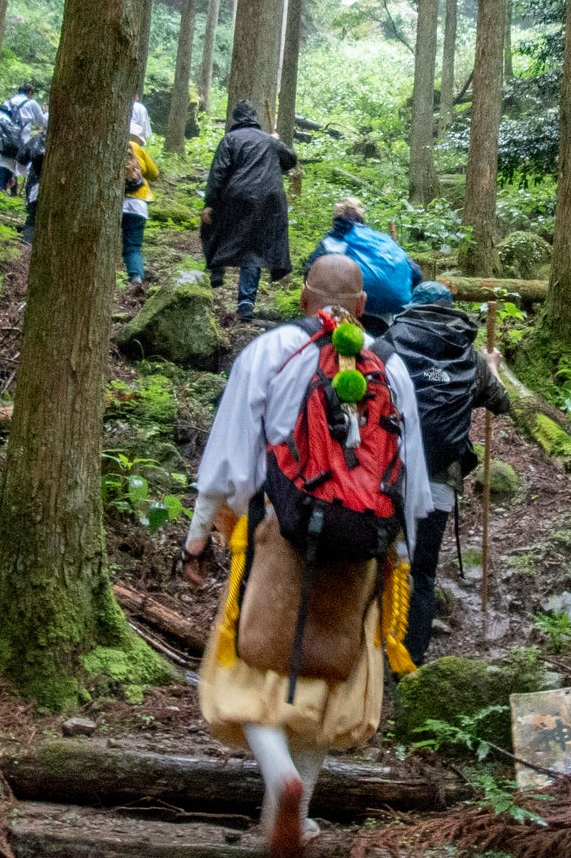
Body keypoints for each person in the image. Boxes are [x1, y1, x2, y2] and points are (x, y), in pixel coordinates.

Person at [183, 255, 433, 855]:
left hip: (276, 535)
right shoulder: (393, 368)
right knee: (331, 672)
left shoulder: (270, 352)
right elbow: (411, 479)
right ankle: (296, 815)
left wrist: (196, 538)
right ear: (365, 306)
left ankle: (282, 781)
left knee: (245, 669)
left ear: (302, 296)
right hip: (363, 547)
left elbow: (228, 461)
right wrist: (400, 555)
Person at [380, 281, 510, 663]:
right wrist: (492, 367)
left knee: (381, 560)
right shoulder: (467, 356)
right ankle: (411, 660)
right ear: (451, 310)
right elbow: (502, 403)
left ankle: (374, 650)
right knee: (422, 573)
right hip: (440, 479)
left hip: (389, 474)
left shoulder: (387, 344)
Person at [201, 99, 297, 320]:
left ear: (235, 119)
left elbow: (218, 173)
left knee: (215, 226)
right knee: (253, 250)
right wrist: (276, 142)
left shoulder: (230, 139)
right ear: (255, 119)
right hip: (270, 200)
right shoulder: (268, 141)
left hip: (239, 196)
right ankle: (245, 303)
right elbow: (291, 159)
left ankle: (217, 270)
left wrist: (210, 203)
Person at [302, 198, 422, 336]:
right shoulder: (381, 239)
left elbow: (311, 273)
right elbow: (416, 272)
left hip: (344, 314)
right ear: (361, 216)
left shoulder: (334, 240)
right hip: (384, 318)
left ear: (336, 216)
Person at [0, 82, 43, 196]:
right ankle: (13, 195)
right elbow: (41, 122)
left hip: (0, 150)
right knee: (13, 175)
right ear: (30, 93)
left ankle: (8, 197)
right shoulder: (31, 103)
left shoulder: (8, 103)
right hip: (17, 147)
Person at [122, 128, 160, 283]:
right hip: (138, 204)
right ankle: (136, 276)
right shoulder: (136, 148)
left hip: (116, 202)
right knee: (133, 245)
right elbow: (154, 173)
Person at [19, 117, 47, 244]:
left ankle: (27, 249)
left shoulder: (38, 138)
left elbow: (21, 157)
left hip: (35, 188)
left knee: (32, 219)